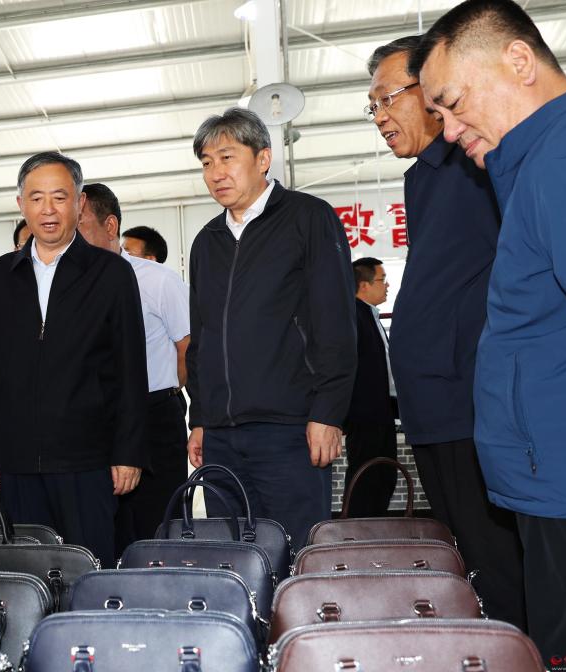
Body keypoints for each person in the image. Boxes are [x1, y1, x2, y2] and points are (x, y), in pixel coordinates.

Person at [412, 0, 566, 659]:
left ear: (519, 61)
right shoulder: (541, 162)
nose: (447, 130)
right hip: (562, 481)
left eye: (452, 103)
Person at [368, 35, 526, 629]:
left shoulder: (477, 163)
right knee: (465, 555)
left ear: (431, 88)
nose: (379, 116)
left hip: (471, 403)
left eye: (388, 98)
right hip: (431, 406)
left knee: (497, 557)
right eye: (372, 106)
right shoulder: (422, 178)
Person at [186, 107, 356, 551]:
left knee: (297, 551)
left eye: (227, 157)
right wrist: (200, 419)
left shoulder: (308, 218)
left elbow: (335, 322)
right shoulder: (206, 241)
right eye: (207, 163)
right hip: (221, 436)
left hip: (289, 429)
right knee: (234, 557)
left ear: (263, 158)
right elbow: (201, 338)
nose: (216, 173)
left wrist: (328, 412)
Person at [0, 152, 148, 568]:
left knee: (88, 570)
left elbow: (130, 368)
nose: (47, 209)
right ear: (21, 204)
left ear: (79, 203)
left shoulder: (111, 274)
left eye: (59, 197)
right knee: (28, 574)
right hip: (16, 462)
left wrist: (129, 451)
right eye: (36, 198)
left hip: (88, 460)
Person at [77, 183, 190, 554]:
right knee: (108, 528)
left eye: (79, 226)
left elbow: (188, 347)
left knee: (159, 525)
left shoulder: (157, 280)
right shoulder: (70, 284)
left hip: (155, 415)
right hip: (97, 421)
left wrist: (167, 391)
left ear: (110, 226)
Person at [342, 258, 397, 517]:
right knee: (365, 477)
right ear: (364, 285)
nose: (387, 285)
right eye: (381, 280)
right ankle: (357, 531)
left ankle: (375, 528)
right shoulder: (353, 317)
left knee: (384, 475)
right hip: (364, 414)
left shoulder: (370, 315)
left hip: (382, 412)